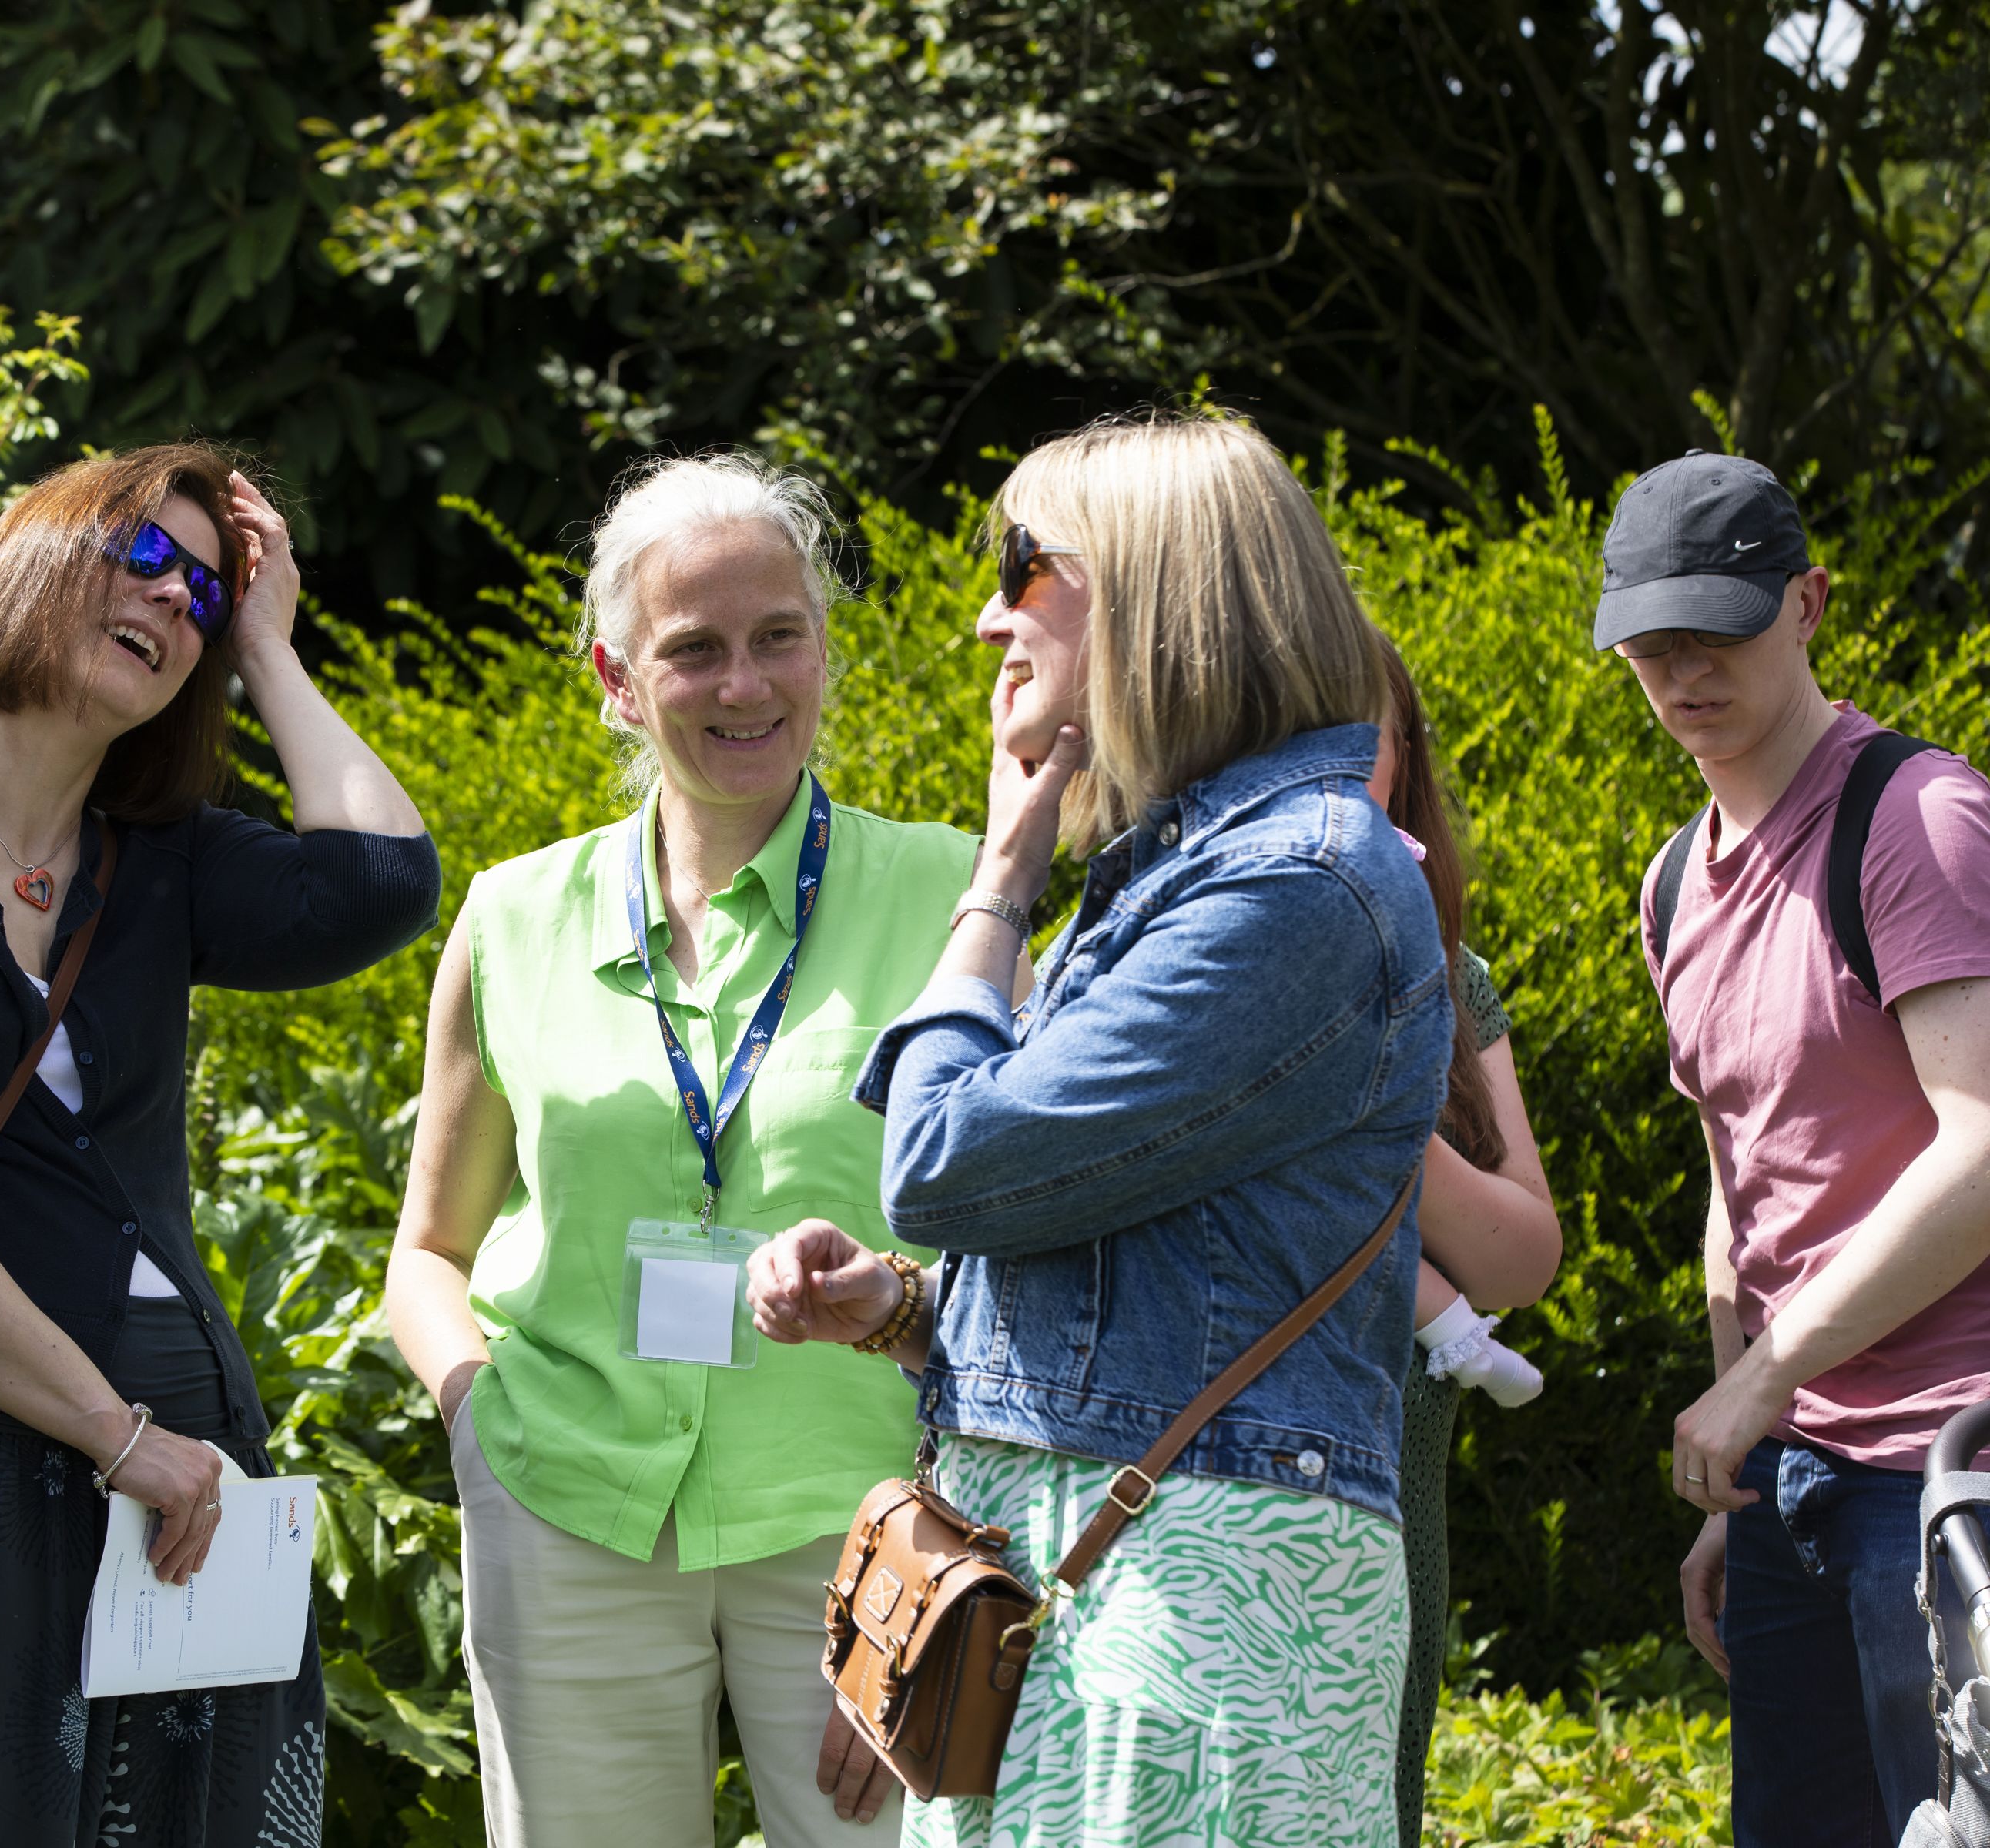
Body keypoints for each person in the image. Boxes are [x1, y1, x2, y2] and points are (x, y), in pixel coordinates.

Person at [745, 410, 1451, 1846]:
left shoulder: (1297, 887)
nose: (989, 610)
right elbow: (1158, 1269)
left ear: (1157, 586)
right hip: (1110, 1583)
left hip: (1201, 1603)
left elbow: (942, 1161)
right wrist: (905, 1307)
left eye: (1025, 563)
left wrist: (1000, 878)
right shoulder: (1183, 874)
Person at [0, 444, 434, 1848]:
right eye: (148, 561)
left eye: (208, 591)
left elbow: (381, 882)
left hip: (195, 1469)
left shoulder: (156, 858)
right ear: (36, 561)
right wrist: (118, 1440)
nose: (180, 603)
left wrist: (272, 650)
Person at [384, 453, 979, 1846]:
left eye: (779, 637)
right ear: (614, 676)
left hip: (866, 1533)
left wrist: (947, 1547)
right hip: (567, 1515)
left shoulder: (957, 898)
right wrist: (478, 1425)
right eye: (693, 650)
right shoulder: (514, 917)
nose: (744, 686)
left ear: (826, 648)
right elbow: (429, 1250)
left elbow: (1030, 1253)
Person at [1598, 453, 1990, 1844]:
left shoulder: (1917, 821)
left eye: (1718, 626)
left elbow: (1985, 1150)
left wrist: (1764, 1380)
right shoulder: (1668, 879)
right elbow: (1740, 1174)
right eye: (1650, 644)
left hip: (1950, 1468)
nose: (1683, 670)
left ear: (1810, 604)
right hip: (1796, 1479)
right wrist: (1740, 1472)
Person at [1369, 637, 1563, 1840]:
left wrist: (1378, 1116)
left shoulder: (1451, 977)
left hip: (1394, 1509)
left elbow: (1522, 1261)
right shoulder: (1159, 944)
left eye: (1365, 730)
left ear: (1407, 756)